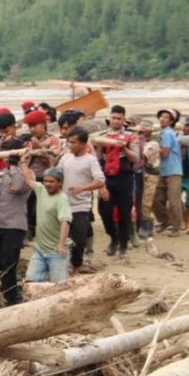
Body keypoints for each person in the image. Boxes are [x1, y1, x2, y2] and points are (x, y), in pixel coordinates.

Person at [0, 138, 32, 304]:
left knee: (9, 262)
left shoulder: (27, 174)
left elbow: (20, 187)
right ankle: (5, 290)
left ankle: (12, 297)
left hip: (15, 225)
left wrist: (15, 166)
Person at [58, 128, 106, 268]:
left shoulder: (90, 161)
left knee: (79, 240)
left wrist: (82, 188)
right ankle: (63, 267)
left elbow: (100, 181)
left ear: (84, 144)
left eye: (73, 142)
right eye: (69, 142)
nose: (70, 145)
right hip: (63, 206)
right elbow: (56, 174)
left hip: (81, 207)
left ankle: (77, 266)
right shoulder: (65, 158)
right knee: (63, 239)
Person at [95, 105, 139, 256]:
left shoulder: (131, 135)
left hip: (124, 177)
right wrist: (100, 146)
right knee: (104, 211)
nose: (116, 121)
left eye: (119, 118)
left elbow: (135, 157)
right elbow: (97, 159)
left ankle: (123, 246)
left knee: (124, 212)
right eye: (113, 118)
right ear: (109, 118)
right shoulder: (102, 135)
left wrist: (124, 148)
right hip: (106, 177)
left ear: (123, 120)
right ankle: (113, 238)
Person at [24, 167, 71, 283]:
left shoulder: (62, 199)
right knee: (31, 282)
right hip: (40, 248)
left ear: (60, 182)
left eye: (51, 181)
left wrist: (61, 244)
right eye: (45, 181)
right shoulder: (41, 190)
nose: (47, 184)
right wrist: (23, 162)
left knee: (58, 287)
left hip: (56, 252)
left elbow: (65, 222)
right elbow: (28, 180)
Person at [22, 109, 60, 240]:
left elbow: (53, 162)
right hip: (30, 177)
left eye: (35, 125)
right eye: (30, 126)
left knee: (39, 208)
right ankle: (27, 232)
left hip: (45, 178)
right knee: (26, 206)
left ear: (44, 124)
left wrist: (39, 148)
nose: (32, 129)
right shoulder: (27, 140)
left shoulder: (53, 140)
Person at [152, 109, 183, 237]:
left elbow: (164, 153)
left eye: (166, 117)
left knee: (173, 200)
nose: (162, 119)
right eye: (161, 117)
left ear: (171, 121)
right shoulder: (162, 133)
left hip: (173, 170)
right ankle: (166, 221)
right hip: (162, 171)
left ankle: (175, 227)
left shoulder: (168, 134)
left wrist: (151, 151)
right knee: (156, 199)